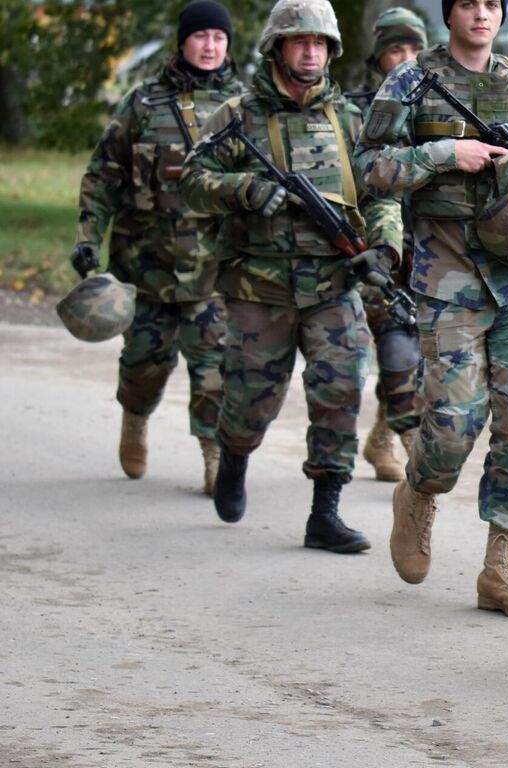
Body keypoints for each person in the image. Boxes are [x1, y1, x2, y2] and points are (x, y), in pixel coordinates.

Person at [357, 0, 508, 618]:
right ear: (450, 13)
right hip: (450, 276)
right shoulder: (412, 81)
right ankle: (419, 491)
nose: (482, 14)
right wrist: (443, 156)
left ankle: (502, 566)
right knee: (454, 421)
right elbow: (366, 169)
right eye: (469, 3)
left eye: (492, 4)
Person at [180, 0, 403, 553]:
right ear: (277, 47)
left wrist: (384, 250)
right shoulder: (238, 116)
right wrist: (246, 190)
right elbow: (191, 182)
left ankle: (324, 513)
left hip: (334, 285)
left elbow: (381, 194)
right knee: (252, 399)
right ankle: (233, 456)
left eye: (321, 43)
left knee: (340, 391)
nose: (311, 52)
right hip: (260, 288)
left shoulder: (350, 119)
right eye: (300, 41)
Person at [73, 0, 243, 494]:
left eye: (219, 37)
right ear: (182, 42)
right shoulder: (142, 105)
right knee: (144, 366)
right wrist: (87, 238)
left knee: (214, 372)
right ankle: (135, 419)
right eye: (201, 36)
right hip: (144, 268)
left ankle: (213, 456)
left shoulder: (243, 108)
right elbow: (101, 177)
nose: (210, 46)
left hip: (213, 271)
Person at [344, 5, 428, 484]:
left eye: (416, 48)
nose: (407, 58)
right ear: (379, 58)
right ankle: (415, 454)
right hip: (371, 250)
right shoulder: (355, 114)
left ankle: (380, 436)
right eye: (397, 49)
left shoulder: (440, 109)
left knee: (421, 359)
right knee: (397, 351)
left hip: (430, 251)